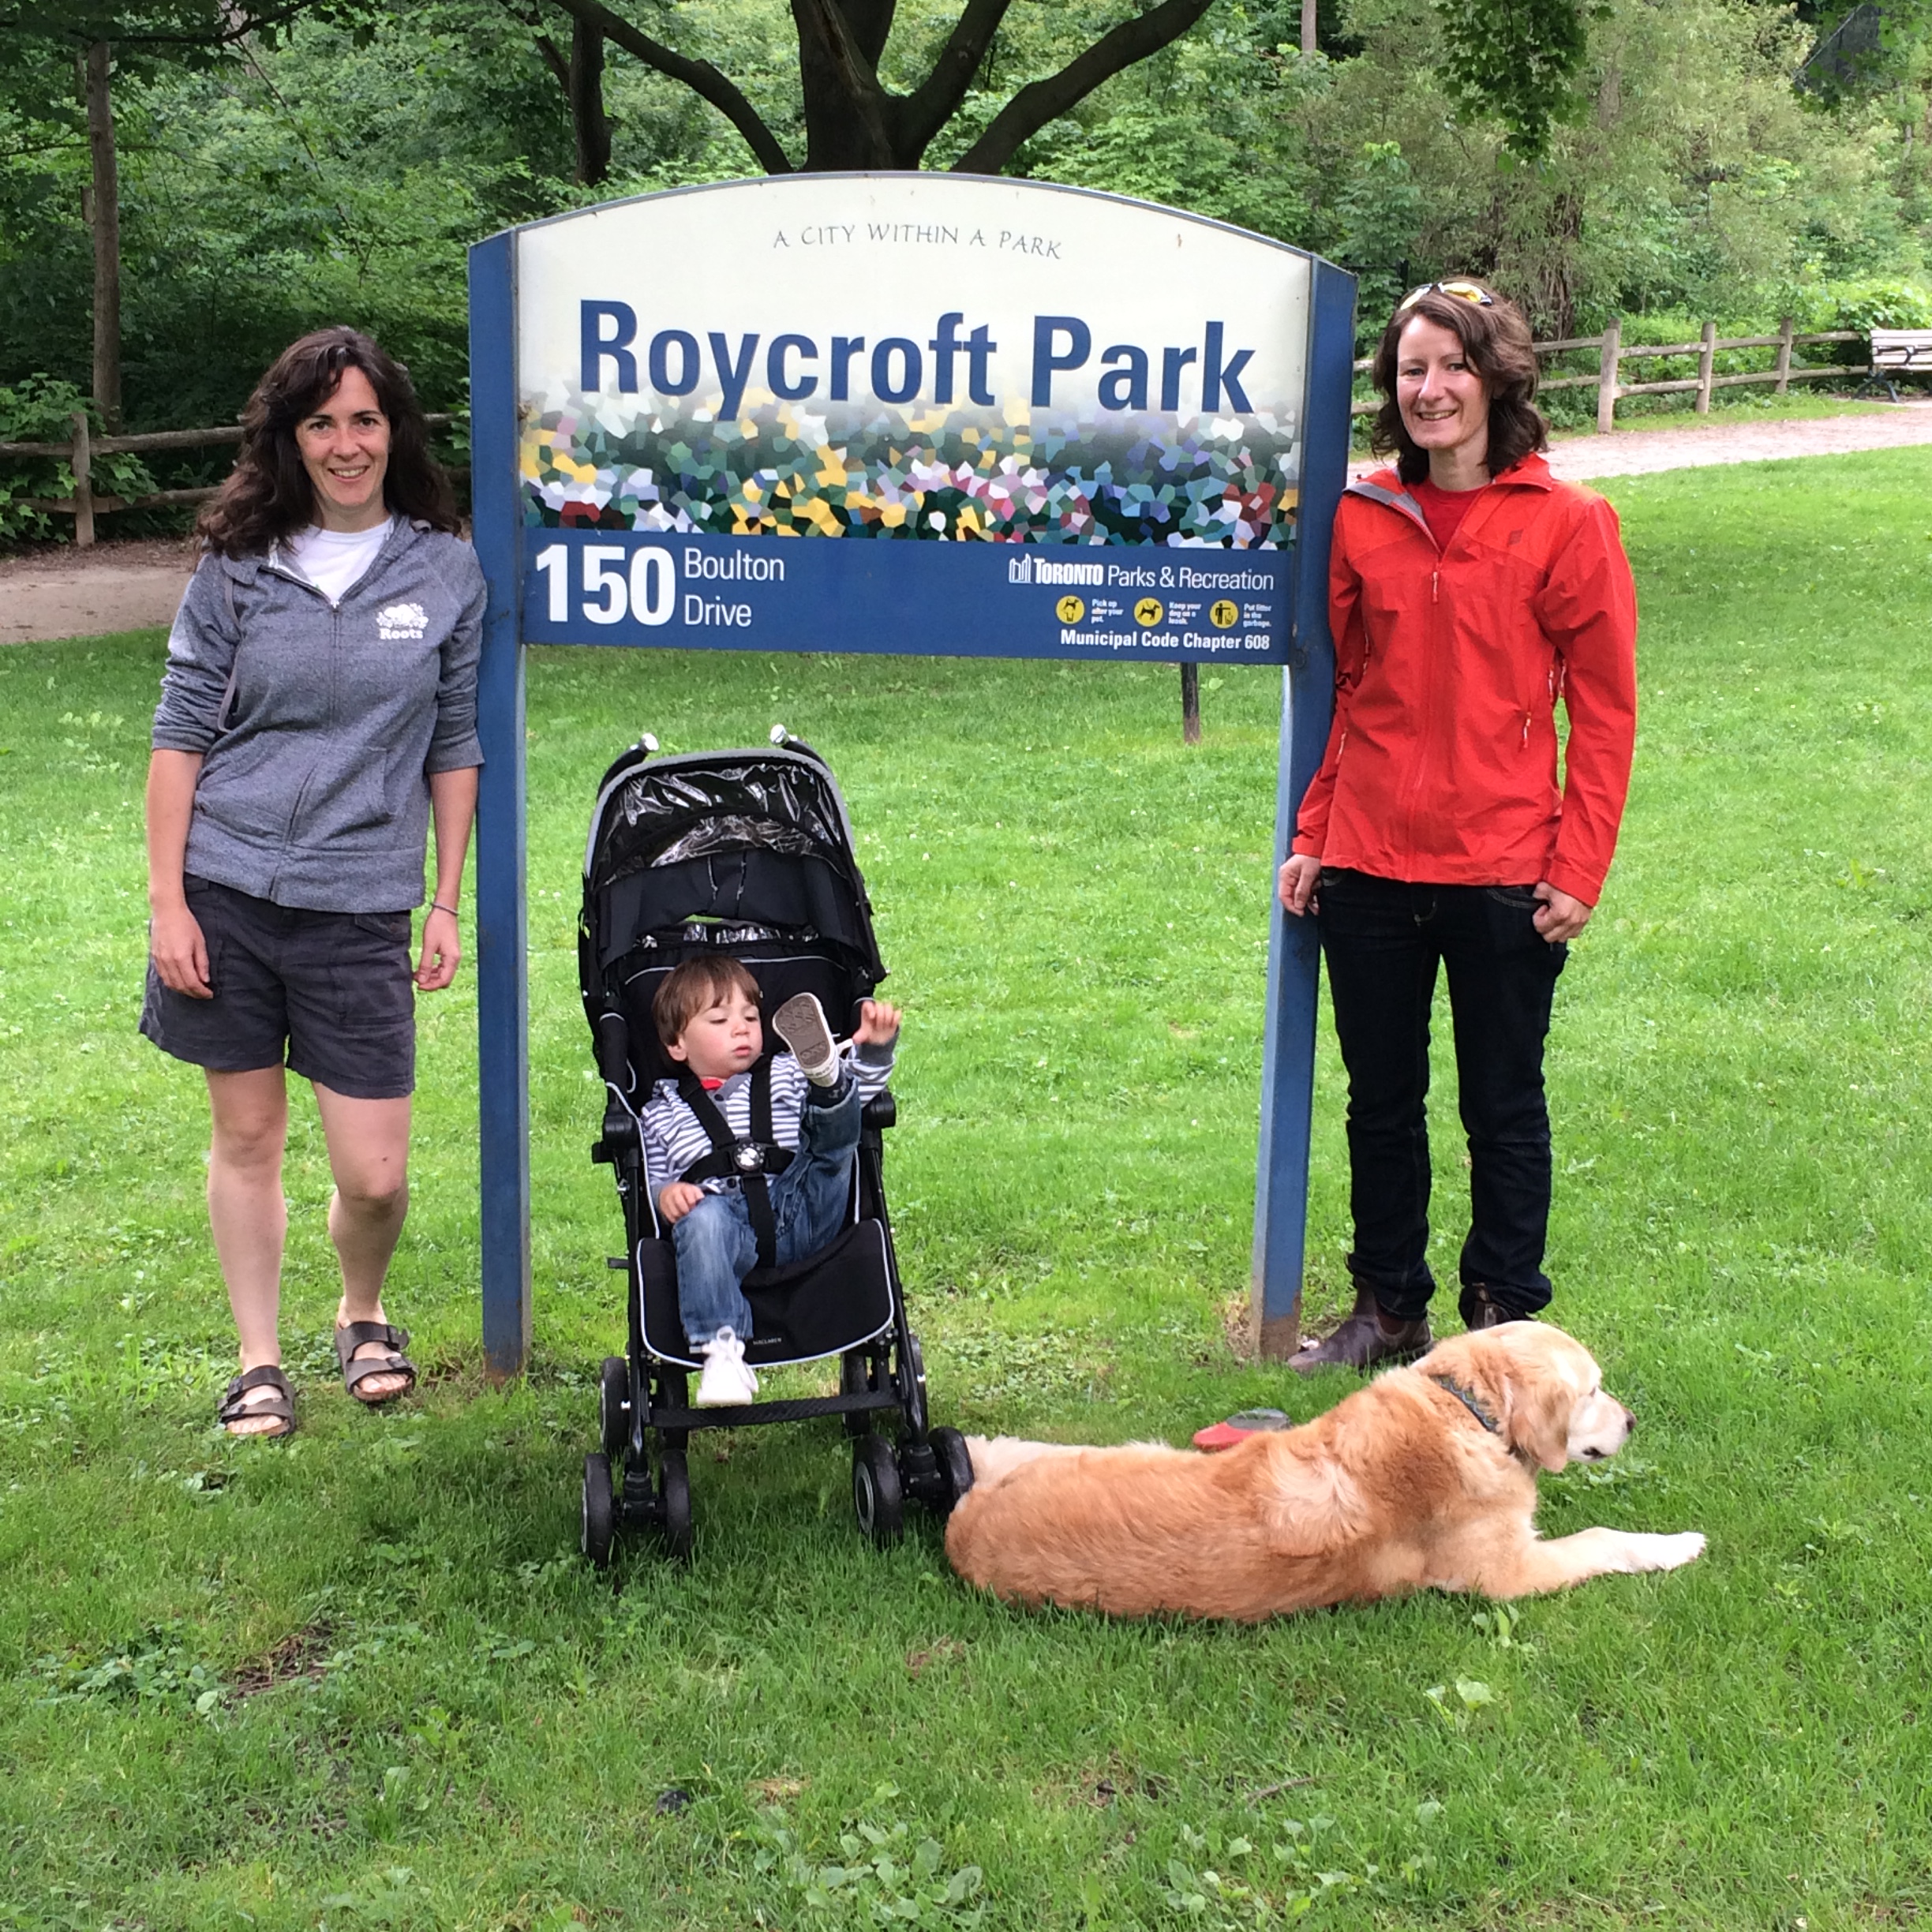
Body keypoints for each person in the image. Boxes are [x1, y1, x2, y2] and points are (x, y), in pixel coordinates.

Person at [1279, 279, 1637, 1372]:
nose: (1429, 389)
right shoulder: (1363, 518)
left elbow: (1606, 707)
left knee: (1503, 1106)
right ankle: (1388, 1308)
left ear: (1497, 377)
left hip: (1504, 870)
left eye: (1452, 365)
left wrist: (1578, 865)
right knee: (1380, 1105)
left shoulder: (1567, 523)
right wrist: (1317, 833)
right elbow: (1349, 692)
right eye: (1411, 369)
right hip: (1371, 867)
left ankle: (1503, 1323)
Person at [142, 326, 485, 1437]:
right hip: (228, 887)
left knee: (374, 1174)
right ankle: (256, 1361)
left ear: (396, 431)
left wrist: (444, 898)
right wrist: (169, 904)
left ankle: (360, 1309)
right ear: (291, 438)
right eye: (323, 423)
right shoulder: (240, 564)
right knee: (246, 1137)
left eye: (365, 420)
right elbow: (181, 734)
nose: (346, 445)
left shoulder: (444, 568)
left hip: (361, 901)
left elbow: (455, 740)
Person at [643, 966, 900, 1406]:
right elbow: (653, 1180)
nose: (741, 1028)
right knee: (700, 1218)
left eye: (750, 1017)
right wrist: (665, 1194)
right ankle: (722, 1352)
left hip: (802, 1207)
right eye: (720, 1020)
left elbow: (867, 1093)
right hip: (725, 1232)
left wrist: (876, 1049)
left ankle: (828, 1081)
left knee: (830, 1144)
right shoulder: (661, 1113)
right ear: (677, 1045)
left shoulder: (786, 1072)